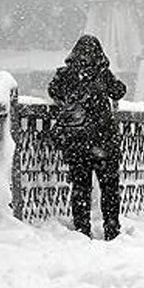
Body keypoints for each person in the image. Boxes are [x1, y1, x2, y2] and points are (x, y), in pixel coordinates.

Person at [47, 34, 128, 240]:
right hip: (103, 142)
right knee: (109, 188)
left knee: (80, 189)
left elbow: (53, 91)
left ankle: (82, 230)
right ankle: (112, 228)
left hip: (77, 142)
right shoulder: (102, 74)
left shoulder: (66, 74)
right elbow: (119, 91)